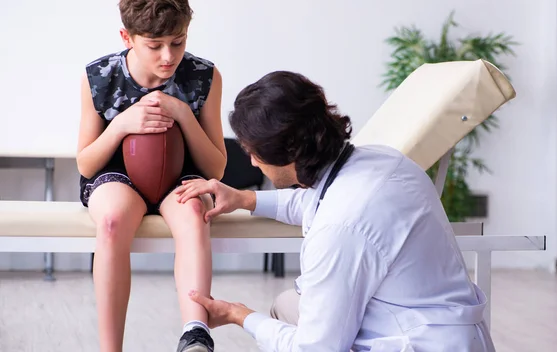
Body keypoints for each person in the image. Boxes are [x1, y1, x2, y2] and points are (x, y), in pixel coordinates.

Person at [176, 71, 496, 351]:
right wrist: (245, 199)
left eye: (253, 154)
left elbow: (314, 350)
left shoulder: (340, 230)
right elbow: (318, 203)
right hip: (447, 330)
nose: (251, 162)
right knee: (288, 306)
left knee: (284, 322)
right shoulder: (382, 161)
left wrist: (239, 315)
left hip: (417, 343)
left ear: (289, 154)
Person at [76, 0, 225, 352]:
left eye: (178, 42)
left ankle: (195, 334)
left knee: (193, 212)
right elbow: (86, 164)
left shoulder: (203, 77)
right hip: (116, 178)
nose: (168, 56)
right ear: (127, 38)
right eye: (154, 45)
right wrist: (121, 125)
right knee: (111, 221)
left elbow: (217, 168)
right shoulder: (99, 77)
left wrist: (184, 115)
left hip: (183, 176)